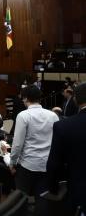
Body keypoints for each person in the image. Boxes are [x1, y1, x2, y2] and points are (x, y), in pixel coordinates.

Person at [9, 85, 59, 215]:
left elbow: (17, 144)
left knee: (21, 198)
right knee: (42, 197)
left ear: (25, 99)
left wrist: (12, 162)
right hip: (46, 164)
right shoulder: (53, 115)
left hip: (27, 164)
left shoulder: (23, 115)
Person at [47, 82, 86, 214]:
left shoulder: (63, 126)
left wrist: (53, 188)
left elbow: (54, 163)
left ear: (75, 99)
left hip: (79, 192)